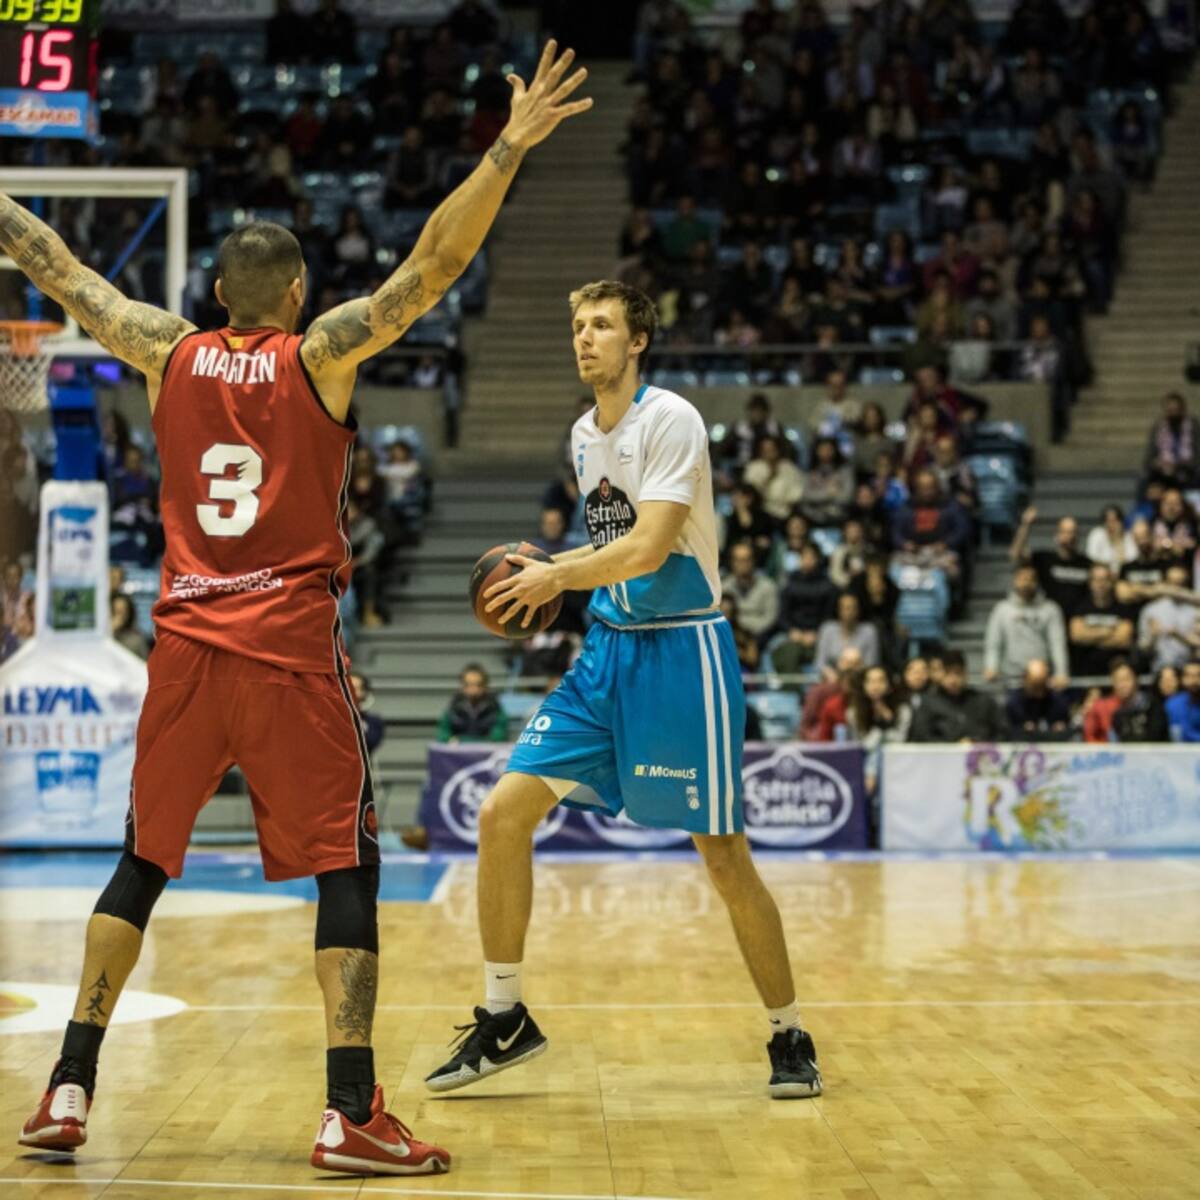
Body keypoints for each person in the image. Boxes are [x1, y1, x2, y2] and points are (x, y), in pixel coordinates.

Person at [2, 39, 592, 1173]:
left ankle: (70, 1086)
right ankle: (349, 1109)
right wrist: (509, 147)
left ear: (217, 293)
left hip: (181, 651)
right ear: (299, 295)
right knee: (344, 868)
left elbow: (61, 268)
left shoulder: (163, 350)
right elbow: (433, 263)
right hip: (286, 651)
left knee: (141, 864)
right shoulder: (321, 355)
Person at [423, 279, 822, 1103]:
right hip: (607, 651)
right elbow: (611, 558)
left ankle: (789, 1032)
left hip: (684, 653)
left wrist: (555, 576)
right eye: (577, 325)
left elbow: (648, 547)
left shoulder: (671, 419)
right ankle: (506, 1015)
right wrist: (567, 583)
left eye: (602, 325)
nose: (585, 337)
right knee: (502, 814)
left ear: (637, 341)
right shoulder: (582, 435)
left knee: (722, 856)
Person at [983, 562, 1069, 686]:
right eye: (1022, 579)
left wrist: (1061, 673)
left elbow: (1057, 643)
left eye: (1031, 579)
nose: (1026, 584)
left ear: (1037, 582)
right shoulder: (1001, 610)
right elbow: (993, 643)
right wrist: (991, 667)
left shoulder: (1051, 609)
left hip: (1043, 678)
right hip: (1012, 679)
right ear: (1014, 580)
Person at [908, 650, 1006, 743]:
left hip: (980, 758)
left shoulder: (983, 701)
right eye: (948, 673)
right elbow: (921, 737)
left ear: (966, 674)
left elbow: (1002, 732)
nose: (953, 679)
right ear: (940, 674)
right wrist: (953, 746)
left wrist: (979, 745)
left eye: (958, 673)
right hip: (940, 758)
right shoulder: (928, 703)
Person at [1009, 508, 1091, 615]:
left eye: (1073, 532)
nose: (1069, 536)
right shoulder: (1044, 559)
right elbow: (1016, 554)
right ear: (1057, 535)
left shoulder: (1087, 564)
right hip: (1050, 619)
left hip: (1078, 621)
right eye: (1065, 532)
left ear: (1078, 536)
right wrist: (1026, 525)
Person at [774, 541, 838, 676]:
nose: (808, 561)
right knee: (786, 653)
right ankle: (792, 694)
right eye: (804, 557)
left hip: (819, 635)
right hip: (792, 633)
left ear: (818, 560)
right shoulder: (789, 583)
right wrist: (791, 631)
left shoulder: (828, 586)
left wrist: (817, 632)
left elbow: (830, 615)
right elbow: (782, 615)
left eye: (812, 557)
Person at [1068, 563, 1135, 681]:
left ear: (1111, 582)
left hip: (1117, 678)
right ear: (1090, 583)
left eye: (1105, 580)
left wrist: (1090, 636)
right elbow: (1076, 635)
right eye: (1097, 580)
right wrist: (1107, 632)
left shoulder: (1123, 609)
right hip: (1085, 675)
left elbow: (1124, 639)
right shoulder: (1080, 608)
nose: (1101, 584)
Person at [1084, 659, 1168, 744]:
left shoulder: (1152, 706)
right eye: (1118, 680)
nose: (1122, 685)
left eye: (1126, 679)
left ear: (1136, 679)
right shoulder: (1113, 713)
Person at [1138, 563, 1200, 671]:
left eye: (1181, 583)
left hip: (1189, 670)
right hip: (1160, 669)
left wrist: (1180, 636)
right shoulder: (1151, 610)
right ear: (1165, 583)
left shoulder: (1195, 611)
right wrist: (1153, 636)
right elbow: (1143, 648)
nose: (1176, 588)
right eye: (1173, 582)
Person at [721, 540, 780, 640]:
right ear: (732, 562)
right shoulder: (724, 587)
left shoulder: (768, 586)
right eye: (737, 560)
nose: (742, 564)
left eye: (746, 560)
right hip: (731, 635)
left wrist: (748, 633)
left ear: (753, 561)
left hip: (760, 636)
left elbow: (771, 619)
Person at [437, 664, 509, 743]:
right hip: (458, 753)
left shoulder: (495, 707)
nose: (474, 690)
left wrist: (462, 740)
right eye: (469, 685)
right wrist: (450, 739)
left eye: (478, 685)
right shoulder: (453, 707)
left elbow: (499, 735)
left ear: (485, 686)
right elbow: (443, 734)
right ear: (462, 686)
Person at [743, 433, 805, 524]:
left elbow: (797, 490)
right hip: (761, 512)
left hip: (786, 512)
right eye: (765, 449)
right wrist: (769, 478)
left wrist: (790, 504)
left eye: (772, 448)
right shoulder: (753, 468)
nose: (769, 452)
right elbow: (749, 492)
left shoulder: (789, 467)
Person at [815, 591, 880, 675]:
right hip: (832, 678)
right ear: (838, 610)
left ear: (859, 610)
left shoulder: (869, 631)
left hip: (860, 679)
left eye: (853, 608)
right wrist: (831, 674)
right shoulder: (827, 629)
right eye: (845, 608)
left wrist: (854, 666)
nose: (849, 612)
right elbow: (819, 663)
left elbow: (872, 664)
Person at [1144, 392, 1200, 487]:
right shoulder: (1158, 427)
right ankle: (1143, 502)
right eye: (1170, 410)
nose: (1173, 413)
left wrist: (1178, 465)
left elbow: (1197, 456)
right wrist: (1157, 463)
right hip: (1163, 470)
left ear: (1182, 410)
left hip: (1188, 469)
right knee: (1144, 478)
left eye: (1176, 410)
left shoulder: (1193, 426)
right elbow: (1149, 458)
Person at [1005, 658, 1069, 739]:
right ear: (1025, 680)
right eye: (1035, 685)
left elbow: (1065, 728)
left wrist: (1061, 728)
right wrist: (1022, 728)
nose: (1038, 691)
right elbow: (1008, 731)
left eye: (1041, 684)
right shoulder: (1014, 702)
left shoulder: (1058, 702)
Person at [1085, 504, 1134, 571]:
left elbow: (1129, 563)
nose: (1111, 525)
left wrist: (1118, 540)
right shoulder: (1096, 534)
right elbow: (1092, 560)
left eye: (1114, 521)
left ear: (1121, 522)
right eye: (1108, 521)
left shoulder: (1129, 537)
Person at [1165, 659, 1200, 742]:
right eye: (1188, 676)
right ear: (1182, 679)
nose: (1193, 681)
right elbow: (1181, 734)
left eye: (1198, 675)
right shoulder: (1173, 704)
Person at [110, 593, 151, 660]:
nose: (119, 617)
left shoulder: (137, 640)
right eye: (115, 612)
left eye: (122, 612)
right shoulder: (106, 637)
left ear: (129, 614)